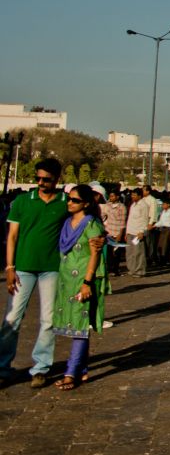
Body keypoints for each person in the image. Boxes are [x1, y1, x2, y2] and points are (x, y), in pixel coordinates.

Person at [1, 159, 96, 388]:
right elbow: (12, 237)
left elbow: (83, 218)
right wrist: (10, 267)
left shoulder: (65, 201)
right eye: (39, 178)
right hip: (23, 267)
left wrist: (97, 237)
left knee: (48, 320)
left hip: (53, 269)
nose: (42, 183)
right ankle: (3, 367)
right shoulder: (23, 201)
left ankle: (40, 368)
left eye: (47, 179)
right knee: (12, 318)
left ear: (57, 179)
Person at [50, 184, 109, 390]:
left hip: (82, 280)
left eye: (75, 200)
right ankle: (81, 370)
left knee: (80, 327)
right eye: (69, 198)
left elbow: (95, 255)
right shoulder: (67, 222)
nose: (70, 203)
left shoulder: (91, 224)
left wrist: (87, 282)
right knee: (74, 324)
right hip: (66, 280)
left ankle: (70, 373)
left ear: (85, 203)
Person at [124, 189, 150, 277]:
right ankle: (132, 269)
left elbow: (145, 219)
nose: (132, 196)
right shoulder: (133, 205)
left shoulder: (143, 205)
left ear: (139, 196)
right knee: (130, 252)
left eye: (134, 195)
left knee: (138, 252)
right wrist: (127, 232)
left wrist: (142, 232)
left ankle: (139, 271)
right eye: (132, 195)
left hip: (137, 233)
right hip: (130, 232)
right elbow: (130, 219)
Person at [102, 189, 127, 277]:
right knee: (109, 253)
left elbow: (123, 222)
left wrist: (120, 234)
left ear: (117, 197)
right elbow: (103, 215)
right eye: (110, 196)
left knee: (116, 253)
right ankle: (109, 269)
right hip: (109, 232)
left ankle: (116, 270)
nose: (111, 198)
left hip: (117, 232)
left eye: (113, 196)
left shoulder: (122, 207)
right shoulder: (108, 205)